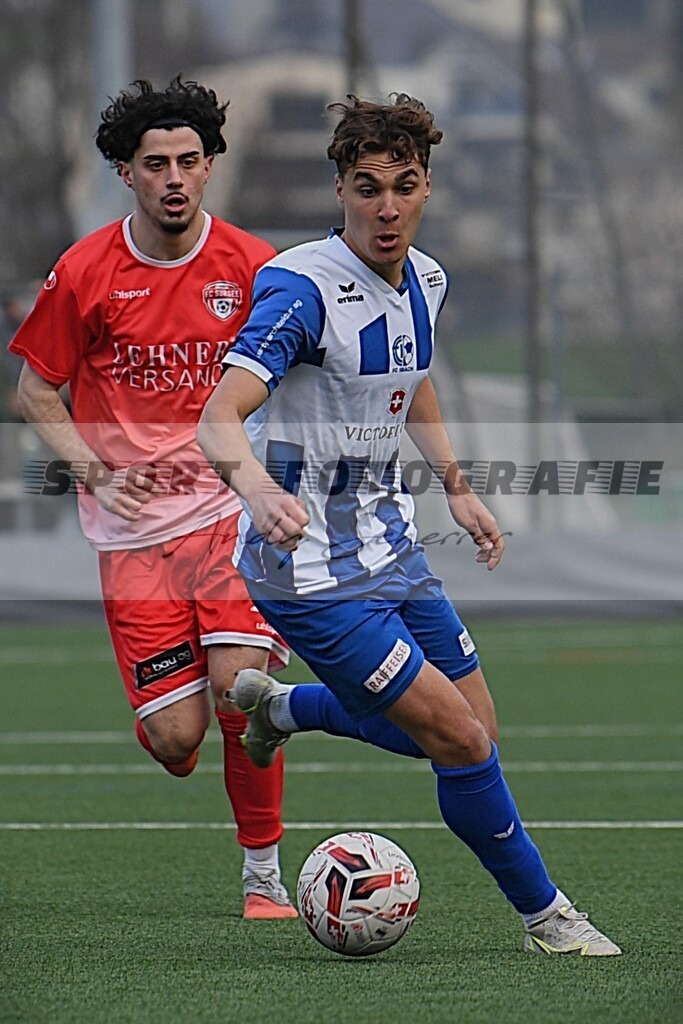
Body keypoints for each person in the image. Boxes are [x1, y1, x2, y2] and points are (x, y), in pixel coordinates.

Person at [197, 93, 621, 954]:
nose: (386, 207)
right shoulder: (299, 288)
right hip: (309, 573)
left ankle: (285, 709)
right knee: (459, 741)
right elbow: (217, 417)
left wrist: (458, 487)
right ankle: (548, 919)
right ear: (340, 190)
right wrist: (256, 491)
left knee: (476, 731)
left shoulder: (426, 277)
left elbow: (409, 377)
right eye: (366, 187)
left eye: (404, 185)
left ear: (427, 186)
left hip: (392, 548)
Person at [10, 75, 298, 919]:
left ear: (210, 165)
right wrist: (95, 470)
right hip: (133, 537)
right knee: (177, 743)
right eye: (154, 163)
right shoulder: (86, 272)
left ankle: (263, 879)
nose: (173, 177)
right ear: (125, 174)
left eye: (188, 160)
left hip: (228, 518)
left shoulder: (254, 266)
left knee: (245, 697)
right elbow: (35, 394)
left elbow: (303, 374)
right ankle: (162, 717)